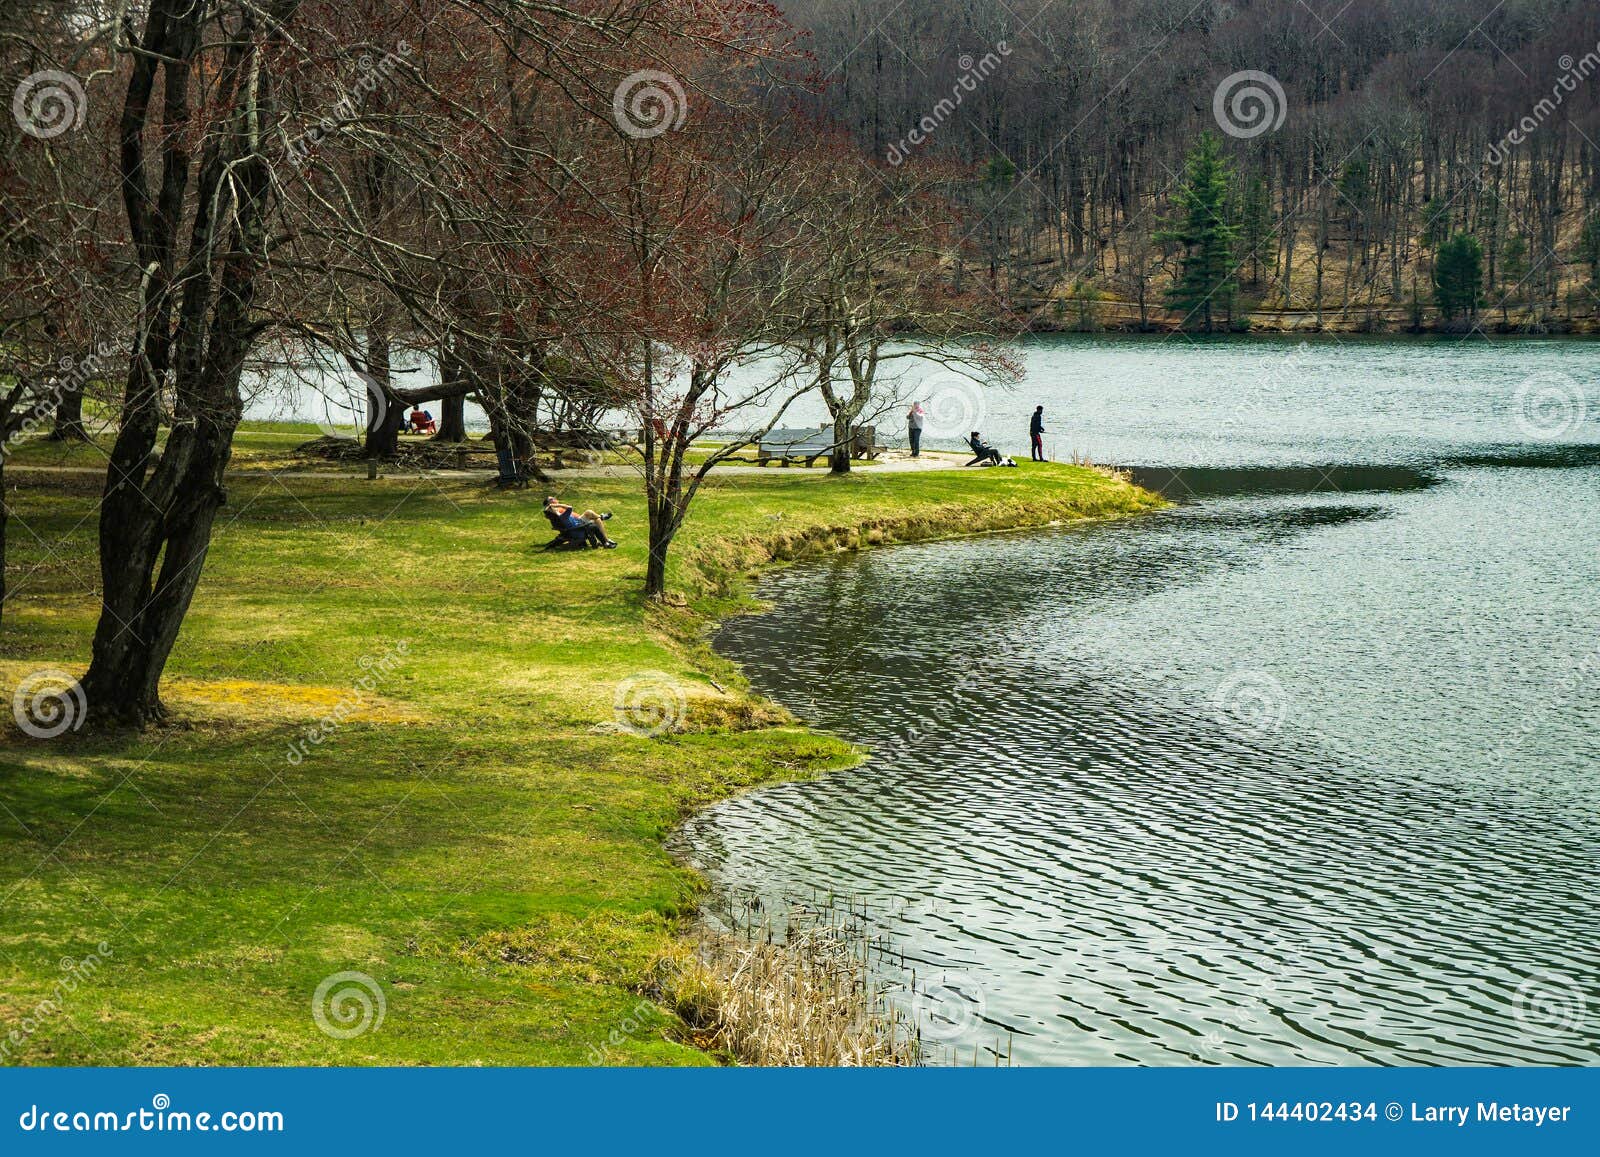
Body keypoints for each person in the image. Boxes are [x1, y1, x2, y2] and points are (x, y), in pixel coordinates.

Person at [542, 497, 617, 549]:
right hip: (578, 524)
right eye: (552, 499)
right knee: (594, 518)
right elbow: (569, 508)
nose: (555, 498)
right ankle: (606, 540)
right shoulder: (558, 512)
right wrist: (554, 506)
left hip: (576, 521)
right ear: (549, 503)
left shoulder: (557, 512)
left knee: (594, 517)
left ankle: (605, 537)